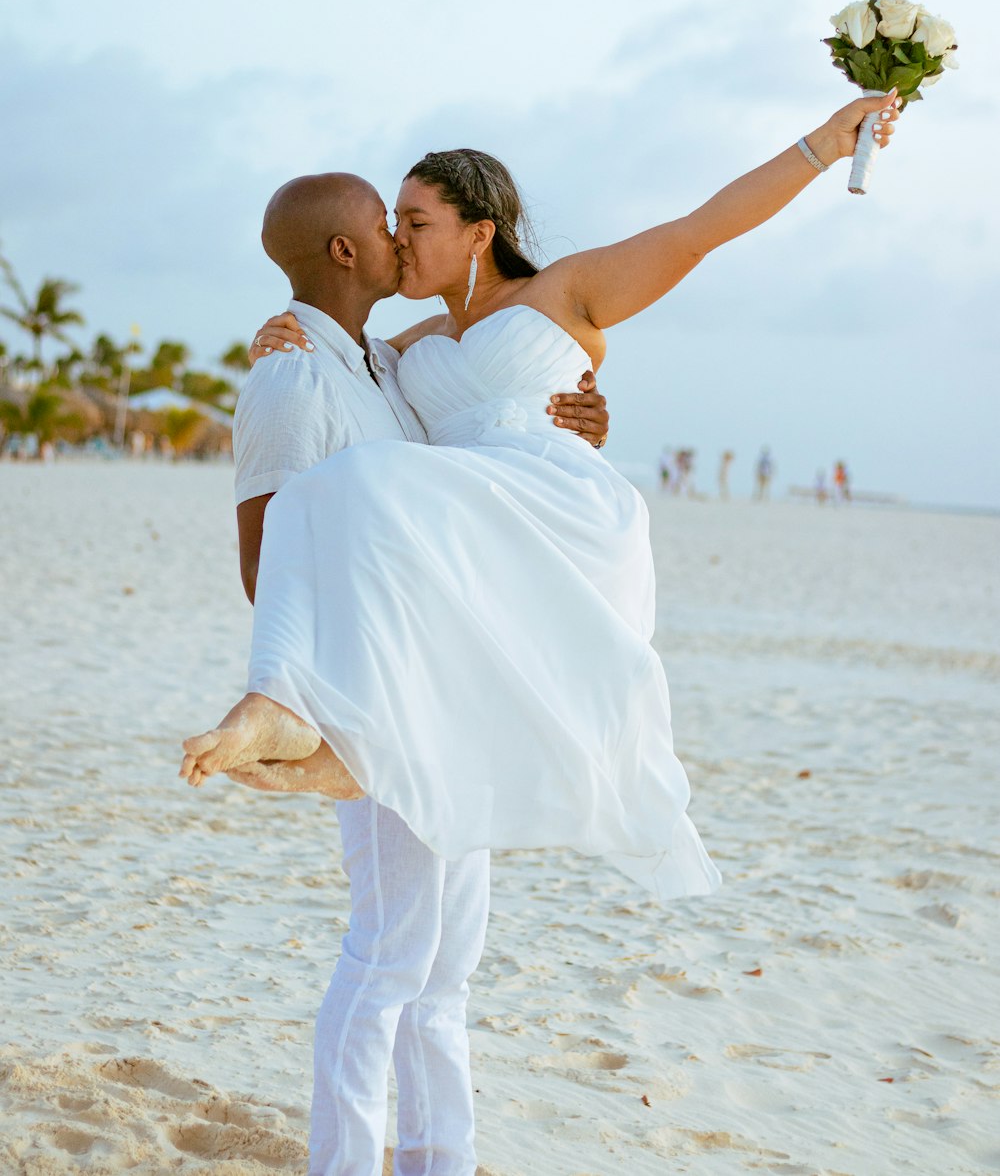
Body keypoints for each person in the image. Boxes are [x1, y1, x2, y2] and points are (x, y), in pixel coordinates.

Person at [181, 86, 901, 903]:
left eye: (415, 224)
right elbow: (336, 356)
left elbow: (699, 233)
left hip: (557, 513)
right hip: (472, 532)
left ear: (477, 234)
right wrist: (276, 333)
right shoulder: (403, 347)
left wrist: (822, 145)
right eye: (393, 225)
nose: (399, 241)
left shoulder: (563, 290)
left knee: (349, 484)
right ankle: (310, 719)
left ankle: (310, 720)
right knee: (332, 495)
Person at [212, 173, 609, 1176]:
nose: (401, 239)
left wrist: (575, 422)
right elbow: (267, 566)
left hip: (445, 699)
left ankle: (441, 1157)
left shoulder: (376, 367)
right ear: (345, 252)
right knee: (388, 956)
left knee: (447, 966)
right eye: (384, 226)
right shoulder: (292, 379)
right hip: (376, 697)